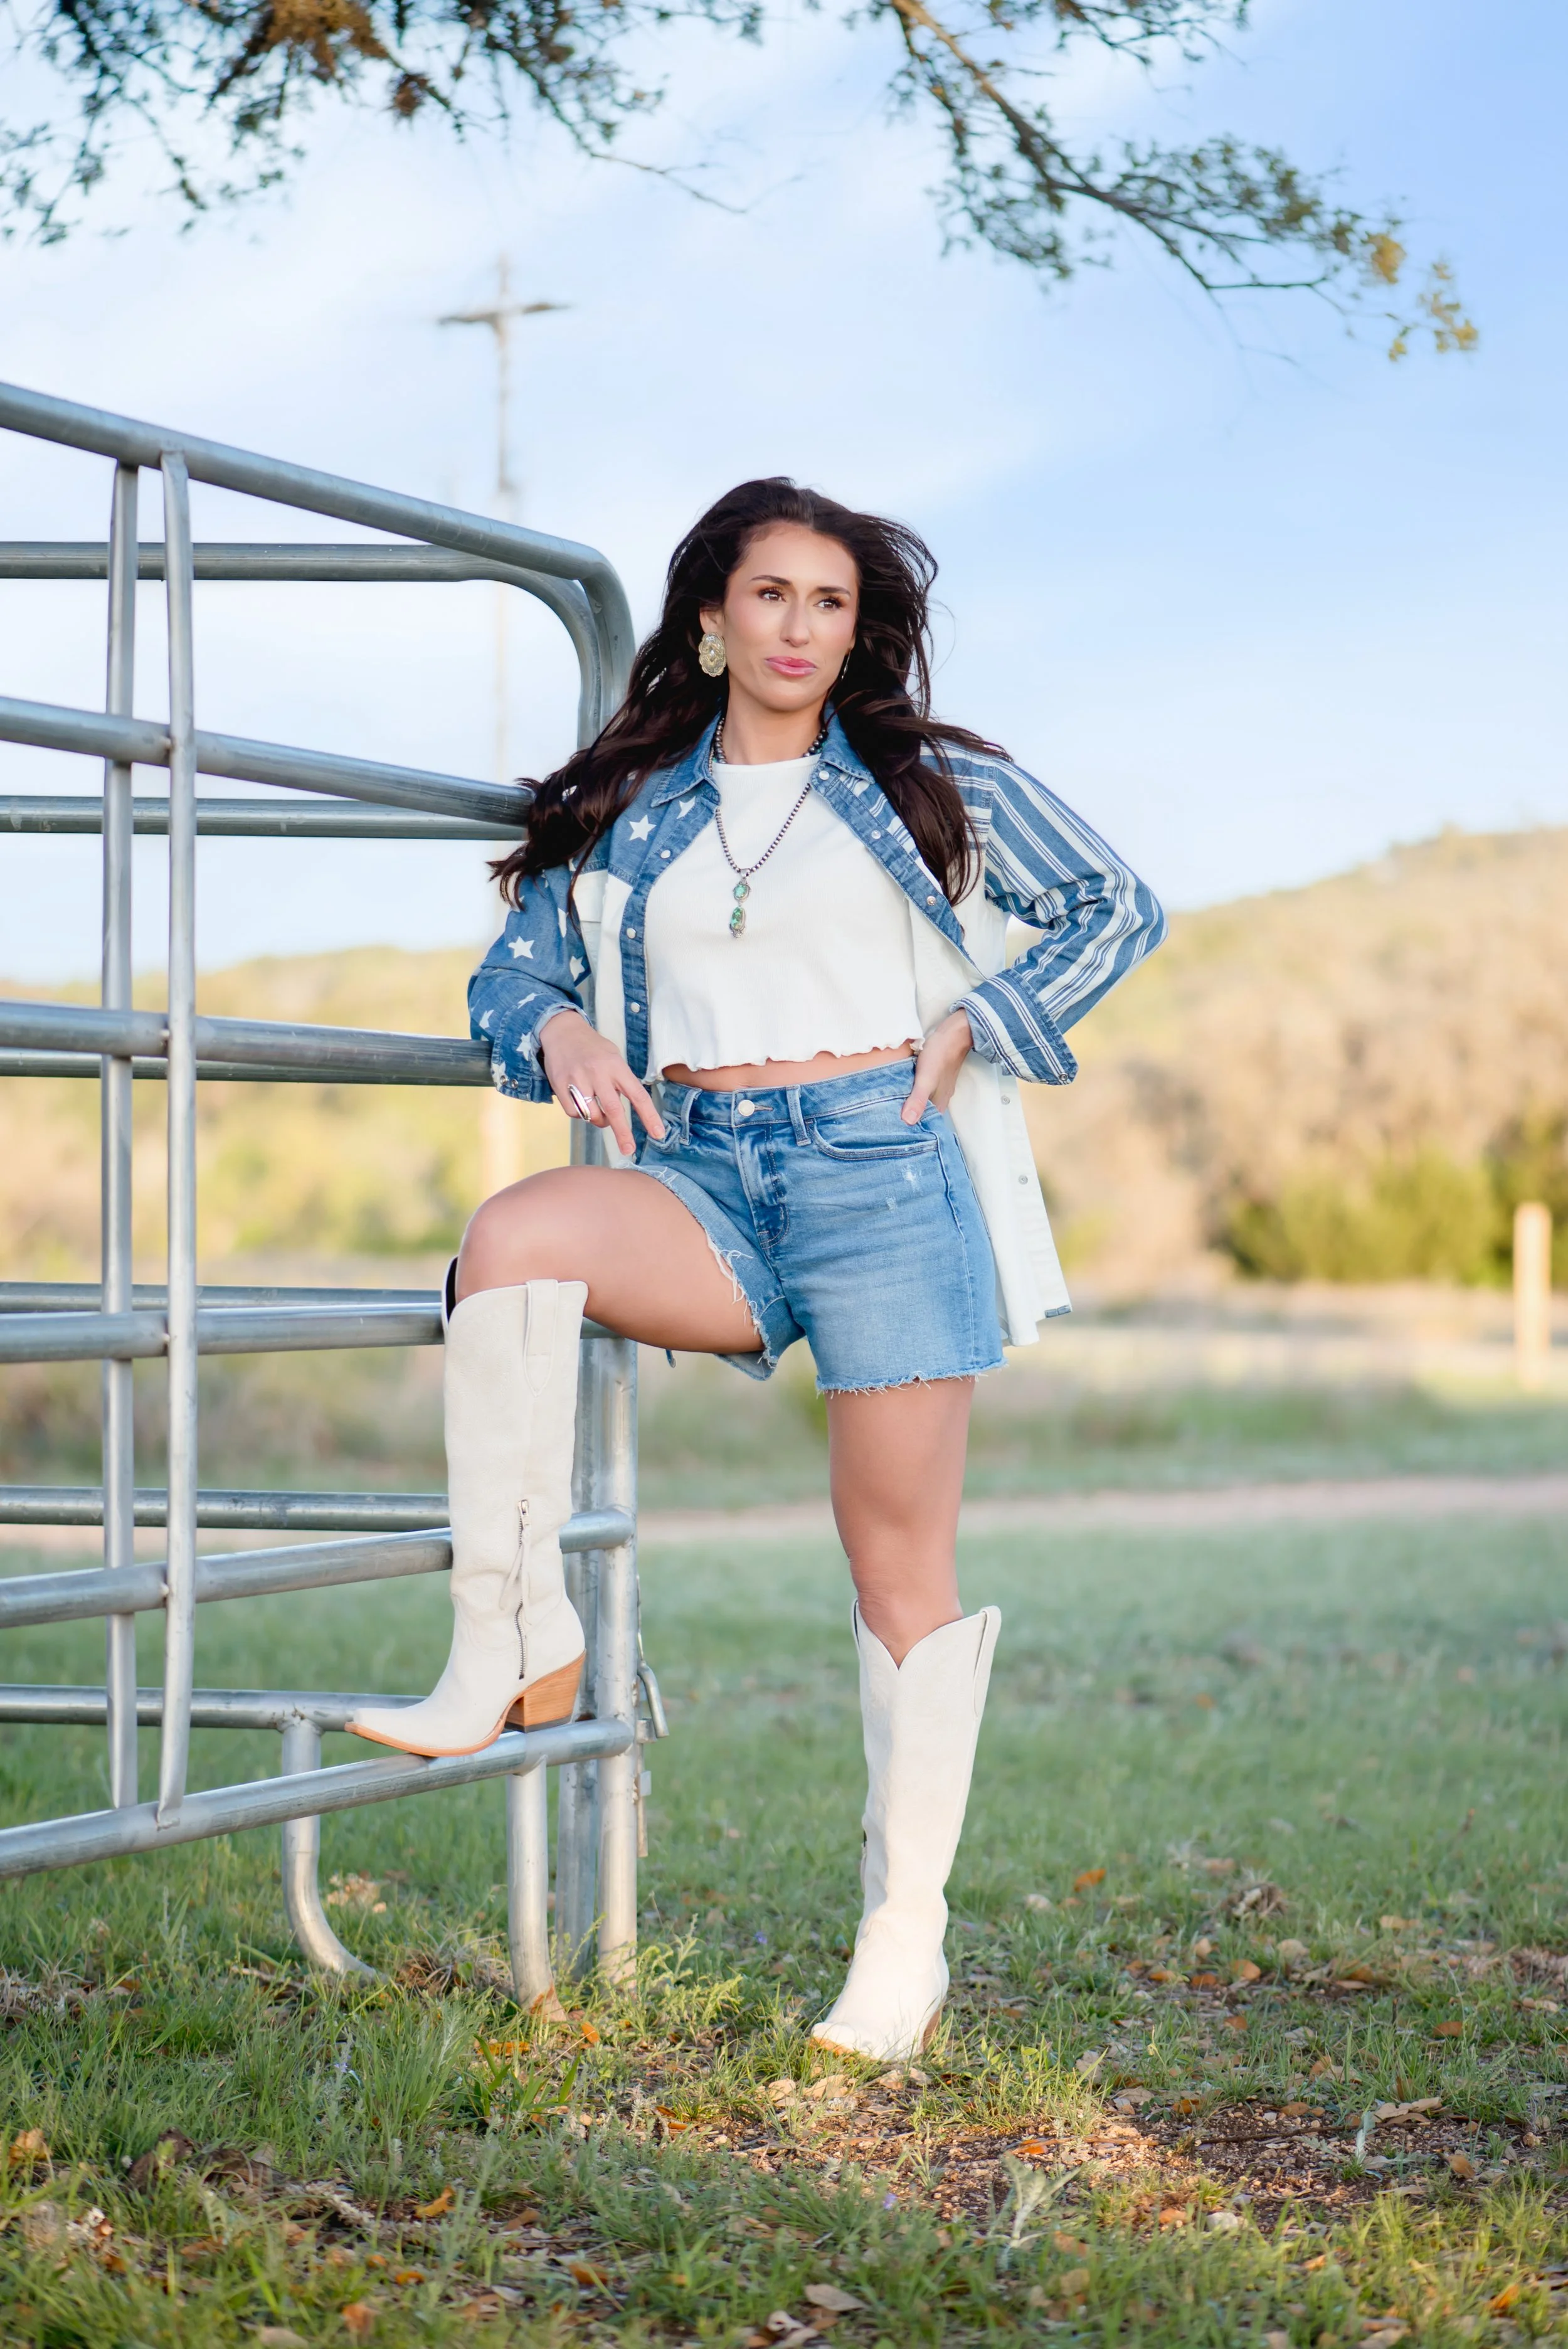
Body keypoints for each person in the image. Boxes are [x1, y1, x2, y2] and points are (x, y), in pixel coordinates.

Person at [348, 480, 1165, 2059]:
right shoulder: (632, 798)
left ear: (857, 632)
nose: (799, 627)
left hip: (881, 1166)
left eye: (829, 602)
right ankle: (507, 1632)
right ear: (713, 618)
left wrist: (979, 1021)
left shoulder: (928, 781)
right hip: (700, 1167)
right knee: (510, 1242)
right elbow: (511, 972)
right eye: (770, 595)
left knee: (893, 1564)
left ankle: (901, 1940)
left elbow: (1111, 907)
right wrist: (557, 1026)